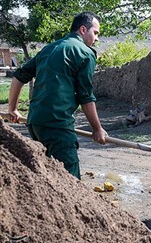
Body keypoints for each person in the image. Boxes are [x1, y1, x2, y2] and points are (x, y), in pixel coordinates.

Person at [8, 11, 108, 180]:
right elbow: (86, 96)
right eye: (95, 33)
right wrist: (97, 129)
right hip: (57, 125)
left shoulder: (49, 48)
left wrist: (13, 109)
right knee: (70, 179)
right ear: (83, 29)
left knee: (48, 177)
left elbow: (19, 76)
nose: (97, 39)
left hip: (35, 123)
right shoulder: (85, 52)